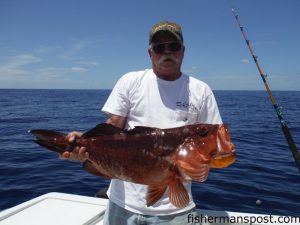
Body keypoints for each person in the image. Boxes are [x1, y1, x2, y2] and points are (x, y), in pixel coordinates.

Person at [61, 21, 222, 225]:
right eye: (159, 47)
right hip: (122, 204)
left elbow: (213, 146)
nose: (167, 51)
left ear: (183, 51)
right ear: (150, 53)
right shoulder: (131, 81)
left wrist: (206, 162)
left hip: (175, 211)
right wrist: (83, 143)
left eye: (173, 46)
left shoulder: (201, 90)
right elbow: (112, 126)